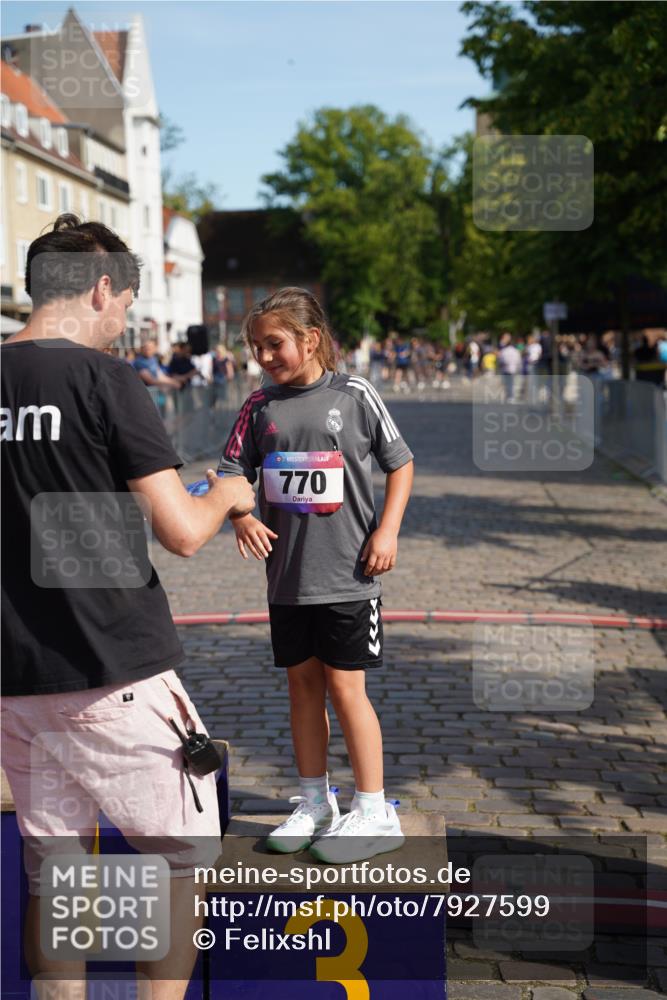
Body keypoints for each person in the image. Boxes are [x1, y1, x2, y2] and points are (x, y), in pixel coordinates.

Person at [0, 214, 255, 1000]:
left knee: (59, 879)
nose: (125, 324)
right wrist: (226, 492)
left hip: (16, 679)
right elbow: (179, 531)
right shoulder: (104, 379)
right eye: (127, 306)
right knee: (181, 863)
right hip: (111, 667)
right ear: (102, 287)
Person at [218, 287, 414, 865]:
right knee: (301, 688)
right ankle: (313, 801)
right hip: (288, 581)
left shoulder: (355, 394)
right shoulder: (258, 407)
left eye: (274, 343)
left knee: (347, 688)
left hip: (350, 576)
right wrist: (242, 514)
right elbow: (231, 472)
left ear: (312, 339)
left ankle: (374, 807)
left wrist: (388, 531)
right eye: (255, 347)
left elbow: (400, 463)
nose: (264, 356)